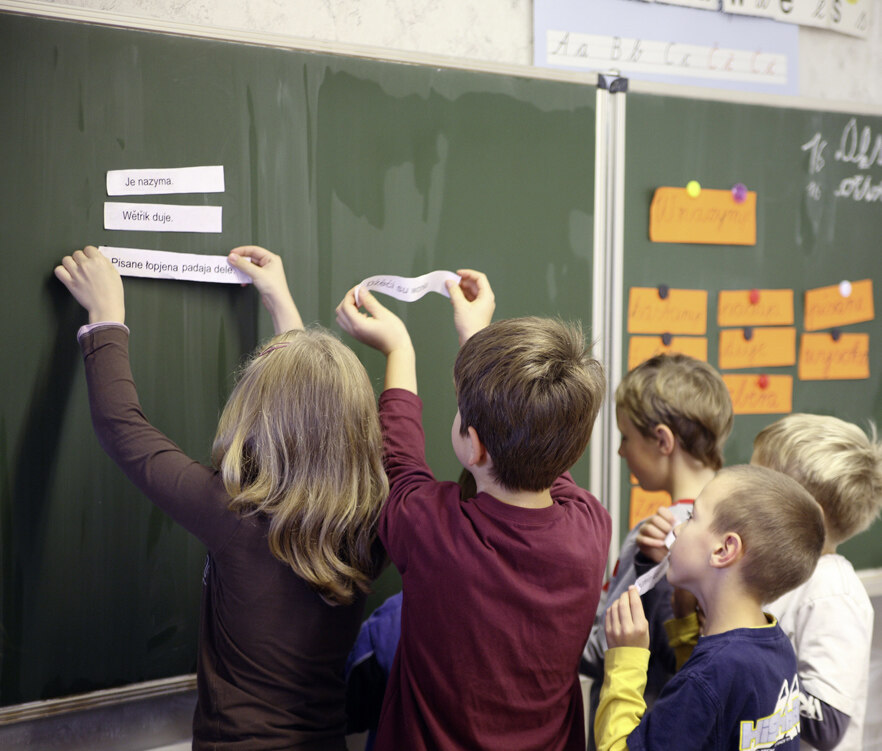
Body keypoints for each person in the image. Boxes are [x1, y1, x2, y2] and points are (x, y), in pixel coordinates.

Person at [54, 245, 388, 750]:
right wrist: (279, 300)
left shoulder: (235, 516)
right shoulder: (374, 523)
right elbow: (316, 409)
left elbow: (122, 426)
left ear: (260, 418)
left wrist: (106, 317)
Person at [335, 271, 611, 751]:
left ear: (474, 446)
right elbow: (542, 434)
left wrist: (400, 349)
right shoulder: (590, 527)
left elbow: (397, 457)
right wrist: (477, 337)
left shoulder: (433, 531)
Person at [596, 464, 826, 751]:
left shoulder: (707, 677)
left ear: (723, 550)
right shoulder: (776, 647)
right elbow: (708, 721)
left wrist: (625, 659)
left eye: (692, 517)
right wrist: (683, 624)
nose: (677, 529)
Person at [581, 353, 733, 746]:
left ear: (663, 440)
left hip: (642, 726)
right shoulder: (740, 524)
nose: (621, 452)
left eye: (625, 437)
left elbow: (603, 648)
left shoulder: (654, 540)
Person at [752, 414, 882, 751]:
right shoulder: (775, 576)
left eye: (761, 485)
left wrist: (743, 660)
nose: (745, 493)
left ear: (810, 514)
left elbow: (827, 722)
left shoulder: (832, 592)